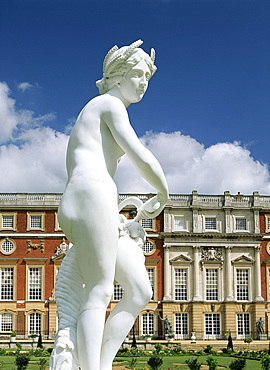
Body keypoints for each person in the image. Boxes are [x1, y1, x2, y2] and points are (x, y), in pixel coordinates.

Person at [54, 40, 169, 370]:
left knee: (139, 291)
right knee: (101, 289)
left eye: (147, 76)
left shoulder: (101, 108)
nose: (143, 82)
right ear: (117, 77)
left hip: (96, 198)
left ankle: (99, 364)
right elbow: (139, 154)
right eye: (137, 74)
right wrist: (163, 190)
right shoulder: (108, 104)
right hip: (92, 192)